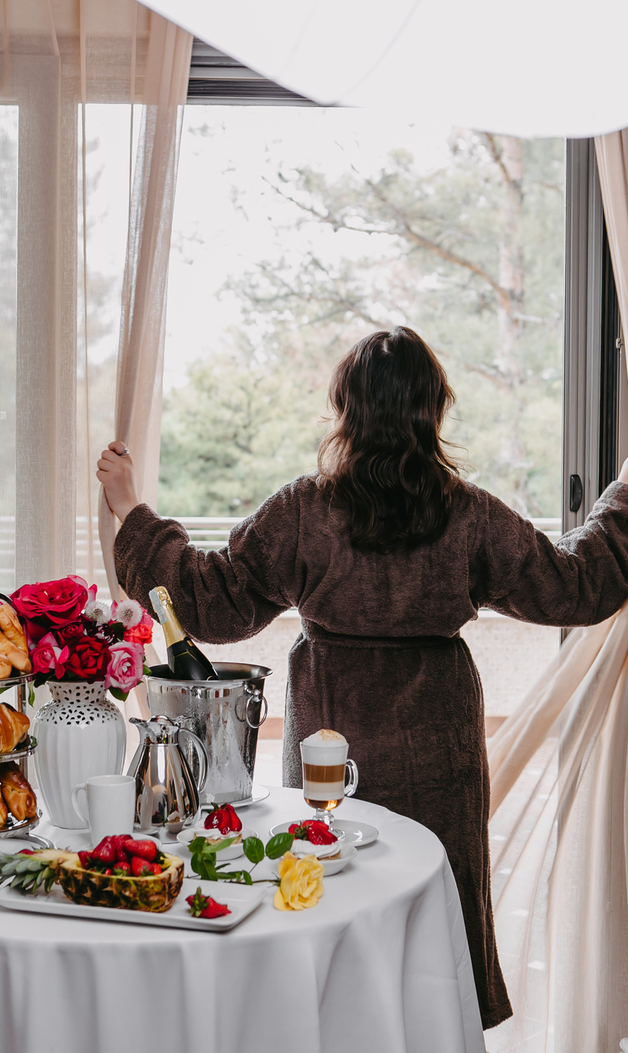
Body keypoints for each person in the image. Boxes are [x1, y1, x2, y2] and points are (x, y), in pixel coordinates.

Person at [97, 327, 628, 1031]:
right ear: (434, 408)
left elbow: (209, 602)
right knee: (431, 905)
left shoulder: (302, 510)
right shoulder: (468, 514)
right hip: (437, 740)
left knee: (325, 890)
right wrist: (624, 493)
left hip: (330, 729)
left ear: (345, 408)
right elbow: (576, 586)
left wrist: (132, 511)